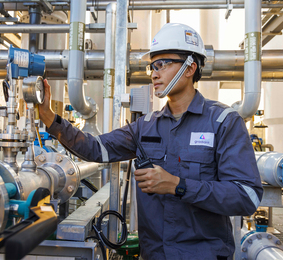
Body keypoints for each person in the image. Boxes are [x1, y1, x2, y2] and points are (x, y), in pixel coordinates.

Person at [39, 23, 263, 260]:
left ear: (190, 68)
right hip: (154, 254)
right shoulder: (146, 126)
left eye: (162, 64)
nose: (154, 73)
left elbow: (246, 196)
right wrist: (51, 119)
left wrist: (178, 185)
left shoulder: (223, 122)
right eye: (151, 67)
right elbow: (96, 148)